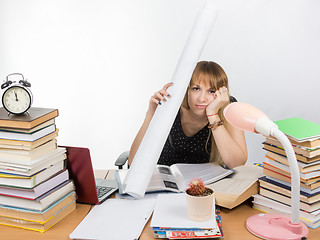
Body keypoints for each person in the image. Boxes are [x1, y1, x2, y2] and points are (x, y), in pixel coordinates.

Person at [128, 61, 247, 169]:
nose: (201, 98)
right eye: (196, 88)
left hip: (204, 186)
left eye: (211, 91)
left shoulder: (229, 107)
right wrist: (151, 114)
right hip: (166, 180)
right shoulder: (173, 106)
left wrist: (213, 114)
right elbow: (133, 162)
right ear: (187, 89)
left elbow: (237, 164)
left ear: (221, 93)